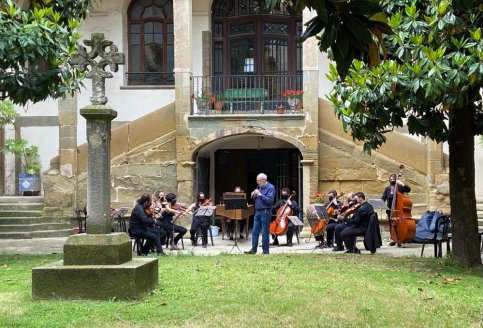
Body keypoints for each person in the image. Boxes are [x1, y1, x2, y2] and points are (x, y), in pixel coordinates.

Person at [244, 173, 275, 255]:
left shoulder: (270, 187)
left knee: (264, 231)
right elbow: (256, 200)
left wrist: (260, 194)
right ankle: (253, 250)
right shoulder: (259, 187)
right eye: (257, 180)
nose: (257, 182)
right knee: (255, 231)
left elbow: (269, 201)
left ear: (263, 180)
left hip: (265, 211)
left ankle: (265, 251)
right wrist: (253, 195)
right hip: (257, 211)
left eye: (258, 180)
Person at [381, 173, 411, 246]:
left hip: (399, 210)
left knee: (399, 224)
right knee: (391, 224)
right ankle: (393, 238)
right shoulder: (387, 189)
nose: (392, 180)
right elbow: (383, 198)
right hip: (390, 210)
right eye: (390, 179)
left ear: (396, 180)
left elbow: (408, 189)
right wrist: (381, 203)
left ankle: (400, 238)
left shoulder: (400, 187)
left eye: (393, 179)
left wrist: (402, 183)